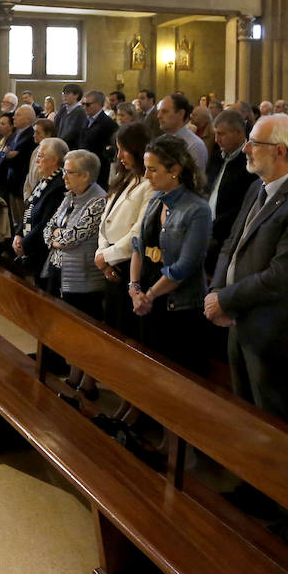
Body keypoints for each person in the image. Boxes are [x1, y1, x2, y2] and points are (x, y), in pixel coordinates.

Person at [207, 113, 288, 425]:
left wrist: (226, 299)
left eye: (255, 143)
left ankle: (274, 474)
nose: (246, 149)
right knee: (243, 411)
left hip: (271, 329)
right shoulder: (258, 188)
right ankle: (246, 472)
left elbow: (282, 277)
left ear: (280, 151)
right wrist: (217, 292)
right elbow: (231, 244)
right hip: (239, 319)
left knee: (272, 419)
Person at [127, 135, 211, 373]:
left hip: (179, 308)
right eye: (145, 169)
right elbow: (139, 247)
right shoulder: (156, 200)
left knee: (172, 376)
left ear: (175, 170)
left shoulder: (197, 209)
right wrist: (134, 288)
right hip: (147, 300)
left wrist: (149, 295)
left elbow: (184, 267)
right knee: (145, 370)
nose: (146, 176)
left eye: (153, 169)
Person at [43, 149, 108, 398]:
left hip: (84, 277)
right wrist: (57, 239)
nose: (64, 178)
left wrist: (59, 239)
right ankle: (73, 375)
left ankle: (88, 382)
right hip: (60, 270)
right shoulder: (70, 196)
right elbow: (49, 229)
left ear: (86, 175)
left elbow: (74, 236)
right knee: (70, 329)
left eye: (69, 173)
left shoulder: (98, 200)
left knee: (86, 332)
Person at [95, 123, 154, 339]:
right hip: (110, 263)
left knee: (125, 331)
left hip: (130, 265)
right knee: (110, 328)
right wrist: (102, 255)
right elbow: (105, 220)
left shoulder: (150, 184)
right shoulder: (126, 177)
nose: (119, 155)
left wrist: (108, 257)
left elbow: (138, 232)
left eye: (124, 149)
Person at [204, 110, 257, 274]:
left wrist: (212, 229)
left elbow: (242, 207)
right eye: (215, 134)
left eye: (221, 134)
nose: (216, 139)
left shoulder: (249, 163)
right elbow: (206, 188)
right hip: (205, 226)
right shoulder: (216, 156)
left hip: (225, 236)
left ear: (239, 133)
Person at [11, 137, 69, 280]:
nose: (37, 161)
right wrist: (18, 235)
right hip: (30, 245)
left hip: (41, 250)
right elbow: (29, 209)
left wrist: (24, 244)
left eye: (40, 156)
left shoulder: (59, 186)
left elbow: (46, 223)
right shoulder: (45, 181)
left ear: (54, 160)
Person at [75, 89, 118, 185]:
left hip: (99, 168)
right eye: (83, 104)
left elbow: (112, 147)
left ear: (98, 104)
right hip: (83, 164)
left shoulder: (108, 123)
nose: (85, 107)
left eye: (88, 104)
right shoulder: (85, 120)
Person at [156, 92, 208, 172]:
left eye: (165, 111)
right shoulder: (160, 141)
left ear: (180, 113)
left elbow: (197, 182)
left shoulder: (194, 146)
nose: (159, 116)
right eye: (159, 111)